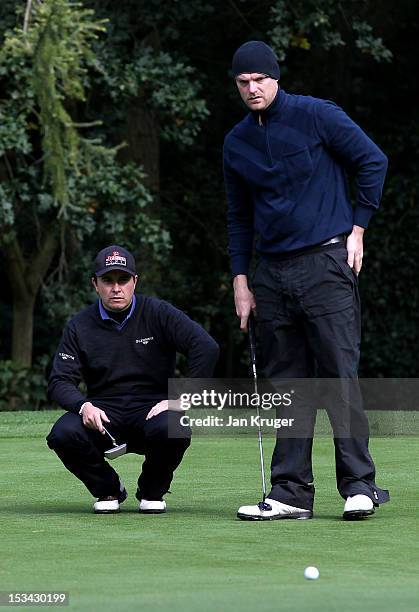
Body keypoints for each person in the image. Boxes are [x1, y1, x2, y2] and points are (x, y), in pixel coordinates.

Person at [223, 41, 390, 520]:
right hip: (270, 273)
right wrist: (241, 278)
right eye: (243, 82)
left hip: (325, 262)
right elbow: (238, 215)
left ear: (276, 78)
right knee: (287, 385)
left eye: (259, 79)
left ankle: (359, 486)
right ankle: (290, 493)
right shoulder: (237, 142)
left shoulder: (317, 115)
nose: (252, 89)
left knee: (339, 375)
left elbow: (372, 160)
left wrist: (357, 228)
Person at [47, 245, 219, 514]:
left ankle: (151, 491)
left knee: (175, 427)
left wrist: (183, 398)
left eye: (123, 280)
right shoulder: (79, 325)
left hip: (152, 411)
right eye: (108, 280)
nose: (116, 288)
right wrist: (84, 406)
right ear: (95, 284)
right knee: (63, 433)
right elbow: (59, 381)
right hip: (104, 414)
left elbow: (206, 347)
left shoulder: (158, 313)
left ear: (134, 281)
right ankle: (108, 490)